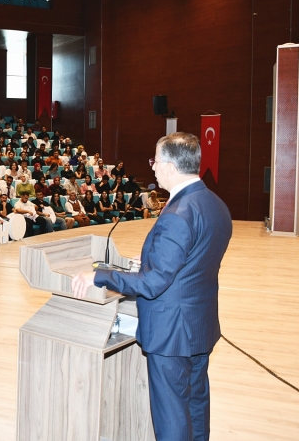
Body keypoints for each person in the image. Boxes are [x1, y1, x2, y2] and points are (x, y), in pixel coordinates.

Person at [72, 133, 232, 441]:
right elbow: (195, 258)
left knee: (171, 414)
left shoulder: (177, 214)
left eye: (155, 161)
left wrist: (100, 275)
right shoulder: (215, 204)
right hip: (200, 324)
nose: (153, 168)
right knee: (196, 402)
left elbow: (152, 284)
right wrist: (150, 258)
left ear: (171, 167)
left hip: (172, 331)